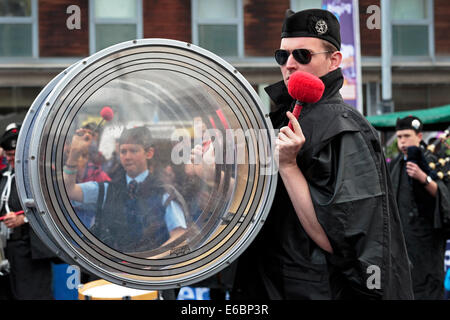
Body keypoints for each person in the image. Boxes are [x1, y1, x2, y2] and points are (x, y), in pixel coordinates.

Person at [232, 8, 413, 299]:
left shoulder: (344, 129)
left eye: (302, 55)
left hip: (315, 290)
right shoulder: (279, 119)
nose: (289, 64)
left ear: (334, 60)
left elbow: (339, 239)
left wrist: (289, 166)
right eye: (283, 56)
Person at [63, 125, 187, 253]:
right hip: (112, 269)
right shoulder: (107, 189)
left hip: (153, 271)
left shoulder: (164, 192)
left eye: (133, 151)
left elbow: (181, 239)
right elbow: (69, 190)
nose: (127, 156)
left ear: (149, 153)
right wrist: (74, 154)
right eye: (123, 151)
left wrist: (151, 262)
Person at [389, 116, 450, 300]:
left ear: (420, 136)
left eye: (407, 136)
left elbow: (444, 194)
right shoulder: (395, 164)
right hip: (402, 242)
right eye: (399, 137)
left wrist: (424, 178)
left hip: (427, 243)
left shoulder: (433, 160)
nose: (403, 141)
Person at [0, 123, 55, 299]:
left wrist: (22, 219)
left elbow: (50, 209)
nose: (12, 159)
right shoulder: (4, 177)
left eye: (15, 154)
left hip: (32, 250)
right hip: (8, 252)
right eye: (8, 155)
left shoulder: (39, 176)